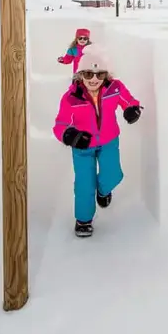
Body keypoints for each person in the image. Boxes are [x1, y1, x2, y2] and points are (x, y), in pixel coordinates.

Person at [52, 46, 142, 238]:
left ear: (106, 75)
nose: (94, 79)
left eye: (99, 74)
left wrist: (132, 109)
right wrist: (70, 135)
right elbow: (60, 125)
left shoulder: (114, 88)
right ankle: (83, 220)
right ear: (80, 75)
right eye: (88, 74)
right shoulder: (71, 97)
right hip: (82, 147)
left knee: (113, 174)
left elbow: (129, 101)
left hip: (108, 141)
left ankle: (103, 190)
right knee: (85, 183)